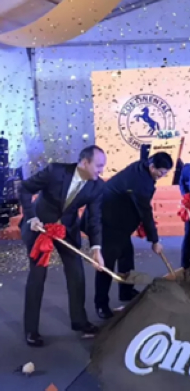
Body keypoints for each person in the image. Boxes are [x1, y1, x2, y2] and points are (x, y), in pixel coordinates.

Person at [19, 145, 107, 347]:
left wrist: (96, 249)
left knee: (76, 273)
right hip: (39, 227)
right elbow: (25, 188)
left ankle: (79, 321)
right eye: (99, 165)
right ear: (84, 162)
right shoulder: (55, 171)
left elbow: (94, 219)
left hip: (67, 230)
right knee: (37, 276)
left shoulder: (97, 186)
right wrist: (31, 216)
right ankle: (31, 330)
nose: (101, 170)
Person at [93, 152, 172, 320]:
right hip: (109, 222)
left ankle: (126, 291)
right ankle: (101, 304)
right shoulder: (140, 182)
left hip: (121, 222)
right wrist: (154, 240)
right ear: (152, 167)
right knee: (106, 265)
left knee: (126, 257)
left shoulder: (142, 167)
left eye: (165, 173)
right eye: (161, 172)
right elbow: (145, 211)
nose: (162, 176)